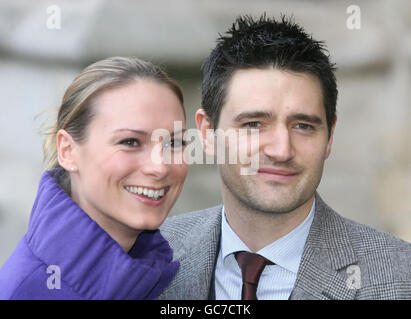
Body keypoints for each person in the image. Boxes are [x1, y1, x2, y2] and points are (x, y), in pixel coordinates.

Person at [158, 15, 411, 300]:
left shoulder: (401, 279)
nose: (281, 150)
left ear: (329, 136)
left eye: (303, 126)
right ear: (206, 133)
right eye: (253, 124)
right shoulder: (148, 256)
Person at [0, 57, 188, 299]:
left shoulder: (168, 273)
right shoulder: (27, 291)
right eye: (130, 142)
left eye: (174, 143)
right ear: (67, 151)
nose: (160, 167)